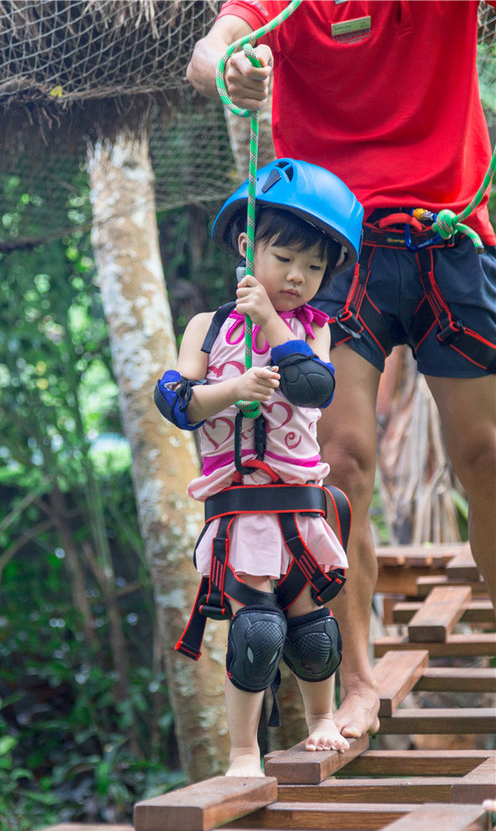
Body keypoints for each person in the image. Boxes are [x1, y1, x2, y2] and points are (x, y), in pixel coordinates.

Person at [186, 0, 496, 742]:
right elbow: (213, 47)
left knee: (487, 453)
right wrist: (227, 67)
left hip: (448, 233)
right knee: (336, 461)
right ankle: (357, 684)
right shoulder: (293, 4)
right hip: (334, 251)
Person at [155, 158, 363, 774]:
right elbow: (177, 400)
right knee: (259, 634)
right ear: (249, 248)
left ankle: (323, 718)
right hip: (239, 511)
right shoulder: (208, 326)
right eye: (285, 260)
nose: (299, 276)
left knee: (314, 632)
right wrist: (233, 389)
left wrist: (271, 322)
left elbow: (311, 387)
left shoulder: (313, 329)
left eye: (314, 267)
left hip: (299, 509)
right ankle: (244, 751)